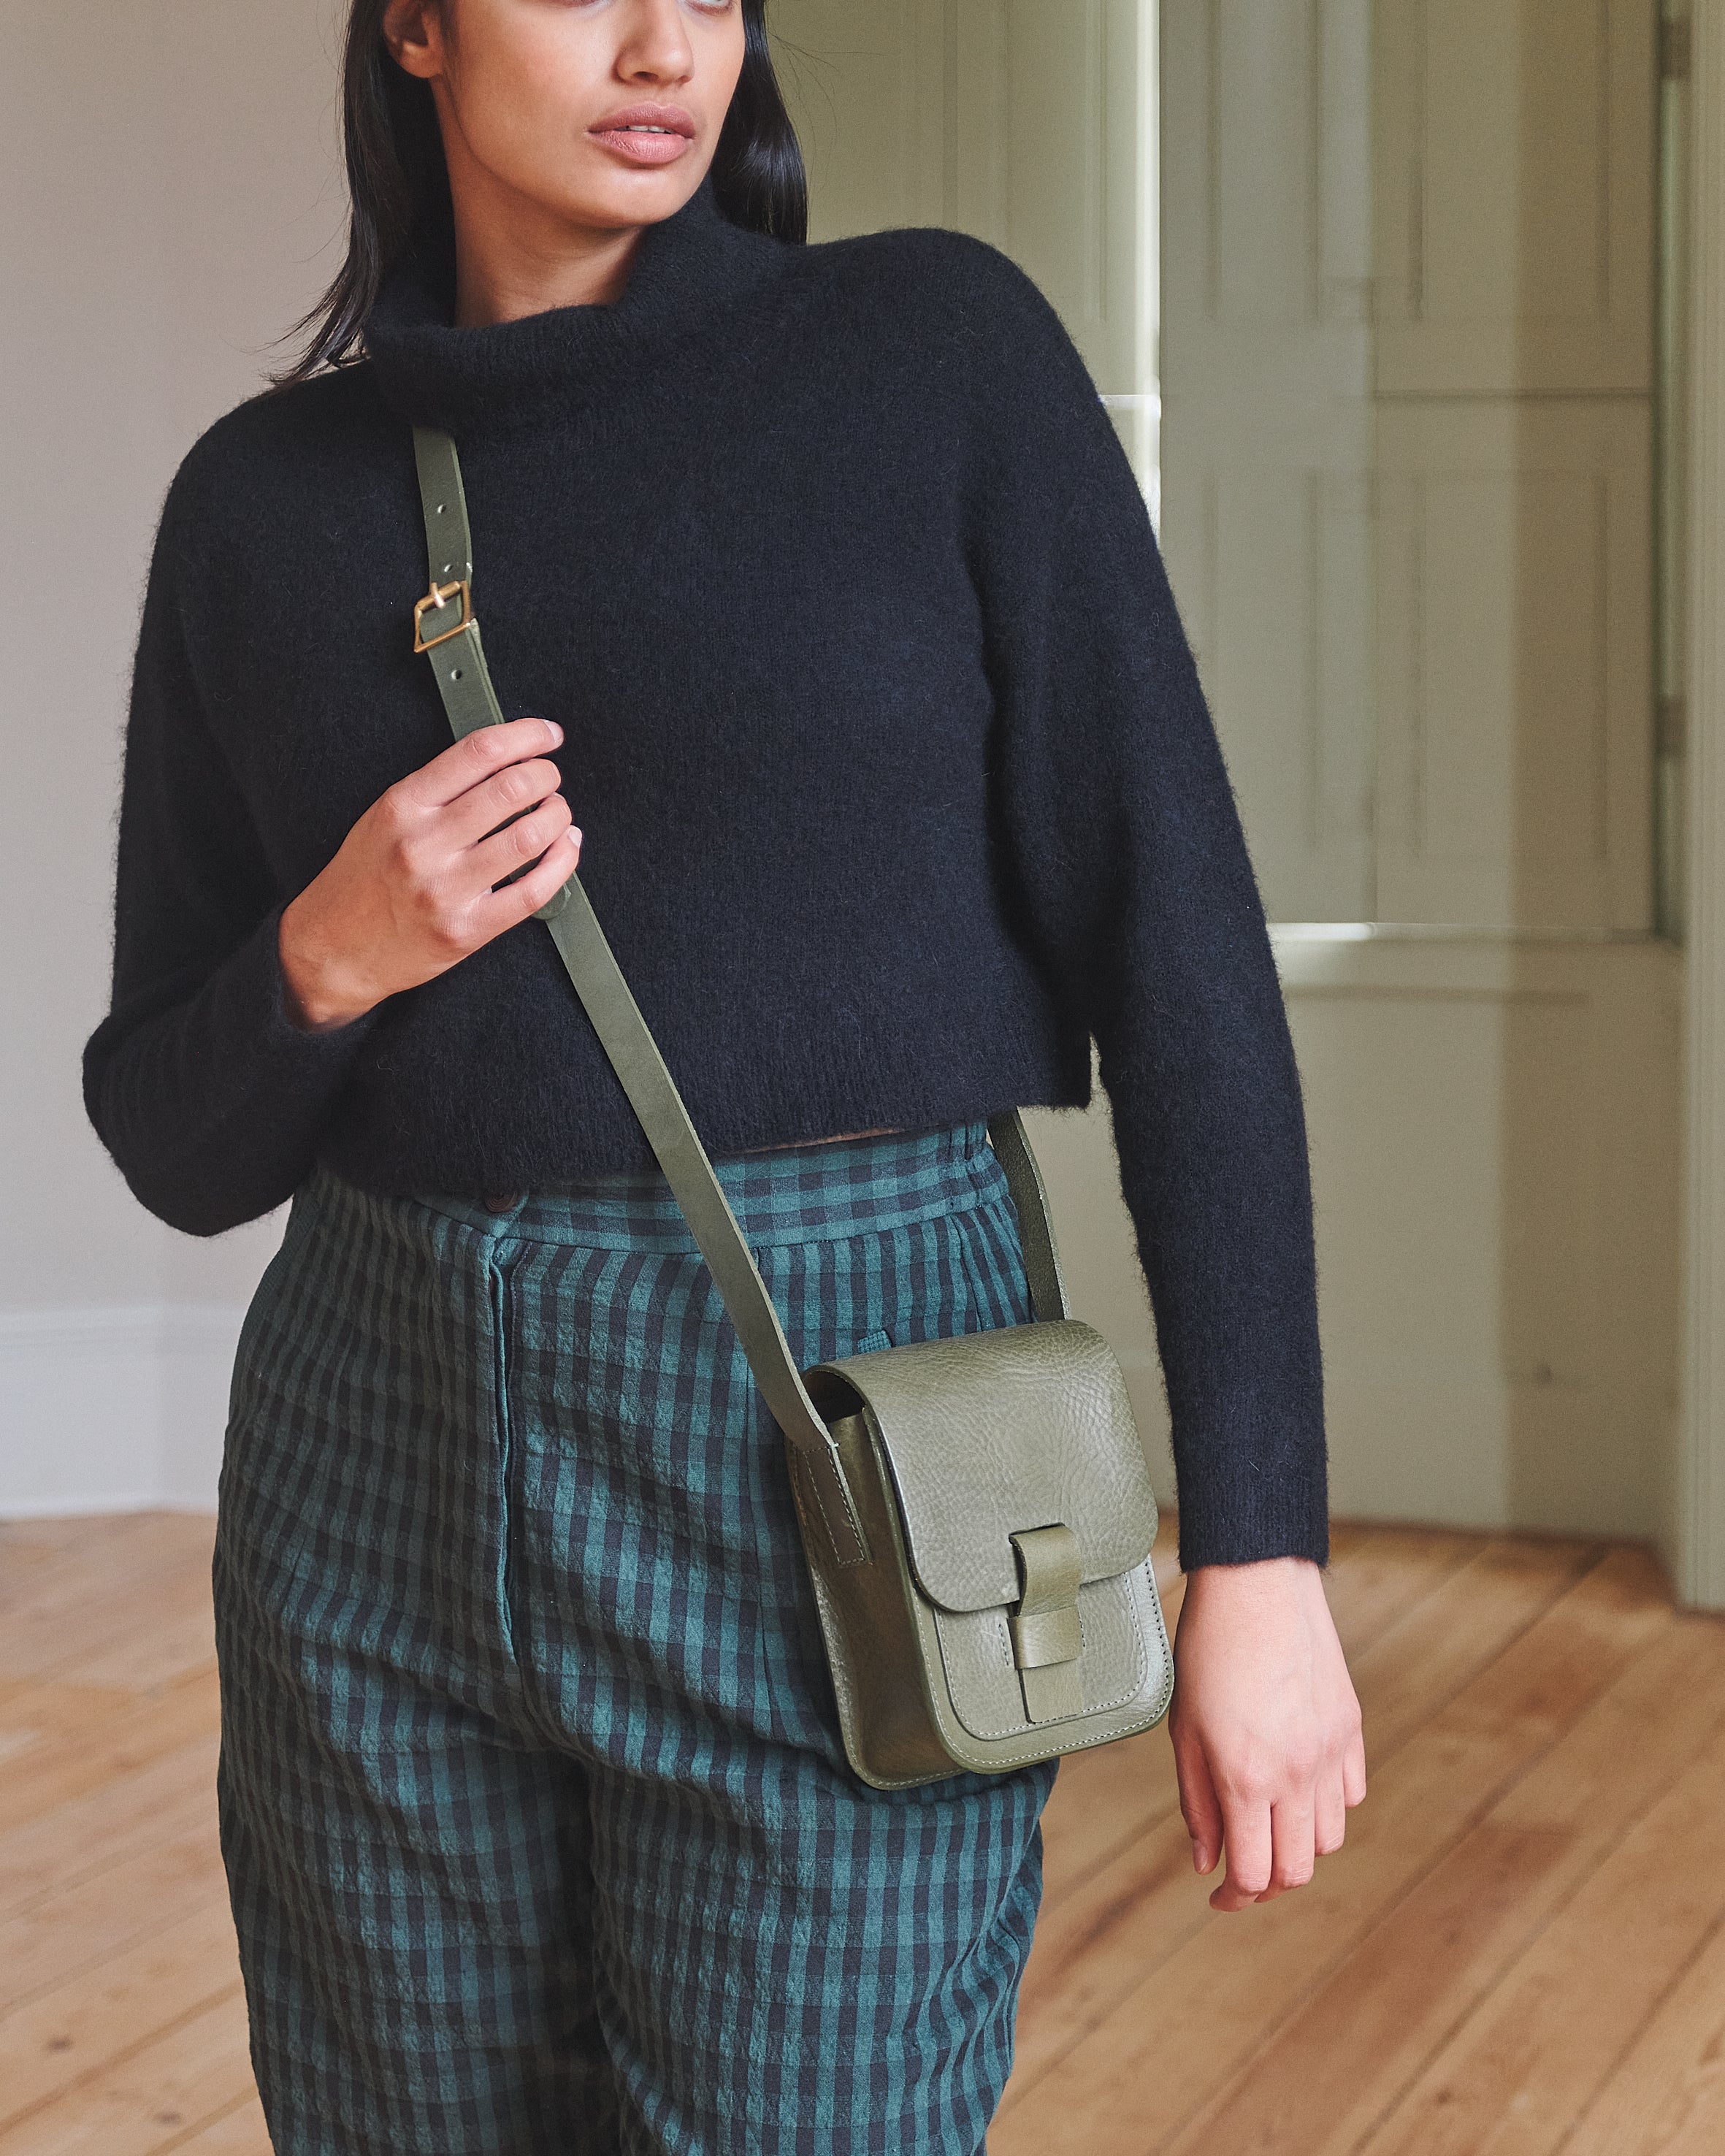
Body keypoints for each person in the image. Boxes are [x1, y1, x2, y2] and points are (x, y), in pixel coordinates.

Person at [83, 0, 1366, 2148]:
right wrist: (331, 954)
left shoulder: (930, 357)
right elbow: (171, 1140)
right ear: (416, 23)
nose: (665, 42)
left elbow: (1181, 959)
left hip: (843, 1436)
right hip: (371, 1463)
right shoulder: (264, 503)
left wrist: (1263, 1554)